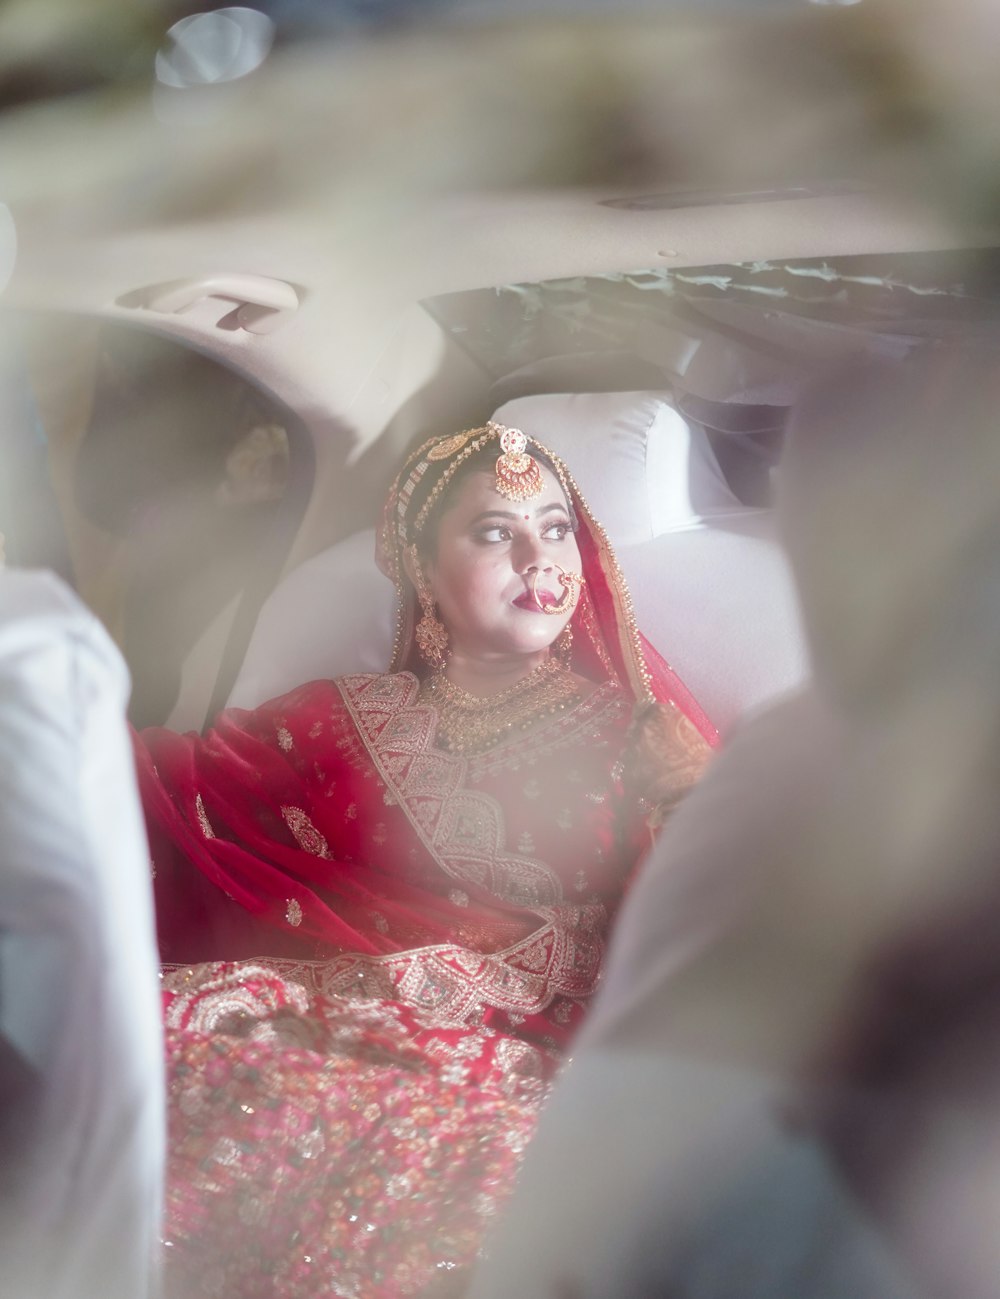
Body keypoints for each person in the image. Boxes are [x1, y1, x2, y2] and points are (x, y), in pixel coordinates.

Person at [133, 421, 717, 1299]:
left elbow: (712, 928)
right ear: (422, 569)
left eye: (557, 527)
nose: (539, 556)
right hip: (324, 998)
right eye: (495, 532)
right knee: (159, 1030)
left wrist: (689, 801)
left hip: (524, 1040)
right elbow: (187, 798)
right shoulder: (336, 715)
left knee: (427, 1147)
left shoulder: (642, 737)